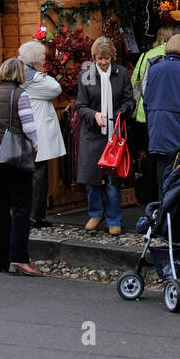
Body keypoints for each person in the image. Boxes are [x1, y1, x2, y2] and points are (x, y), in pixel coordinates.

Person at [0, 57, 44, 276]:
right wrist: (36, 146)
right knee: (21, 208)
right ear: (19, 75)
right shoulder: (20, 95)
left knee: (0, 209)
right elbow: (29, 127)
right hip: (15, 158)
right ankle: (18, 257)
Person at [74, 36, 135, 235]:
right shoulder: (86, 76)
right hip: (92, 133)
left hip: (114, 133)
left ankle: (114, 218)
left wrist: (122, 110)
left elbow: (130, 101)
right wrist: (94, 115)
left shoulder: (122, 73)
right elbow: (80, 106)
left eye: (106, 58)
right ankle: (95, 212)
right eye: (99, 58)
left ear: (112, 57)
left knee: (112, 180)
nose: (103, 62)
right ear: (93, 57)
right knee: (91, 178)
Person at [142, 33, 180, 195]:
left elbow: (146, 102)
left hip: (158, 136)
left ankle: (164, 218)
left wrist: (152, 130)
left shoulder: (154, 69)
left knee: (164, 186)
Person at [18, 40, 65, 229]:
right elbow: (55, 88)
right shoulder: (34, 78)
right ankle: (35, 215)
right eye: (42, 59)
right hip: (35, 132)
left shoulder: (18, 74)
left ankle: (30, 214)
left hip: (25, 131)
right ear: (36, 62)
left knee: (30, 173)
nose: (44, 62)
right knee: (38, 174)